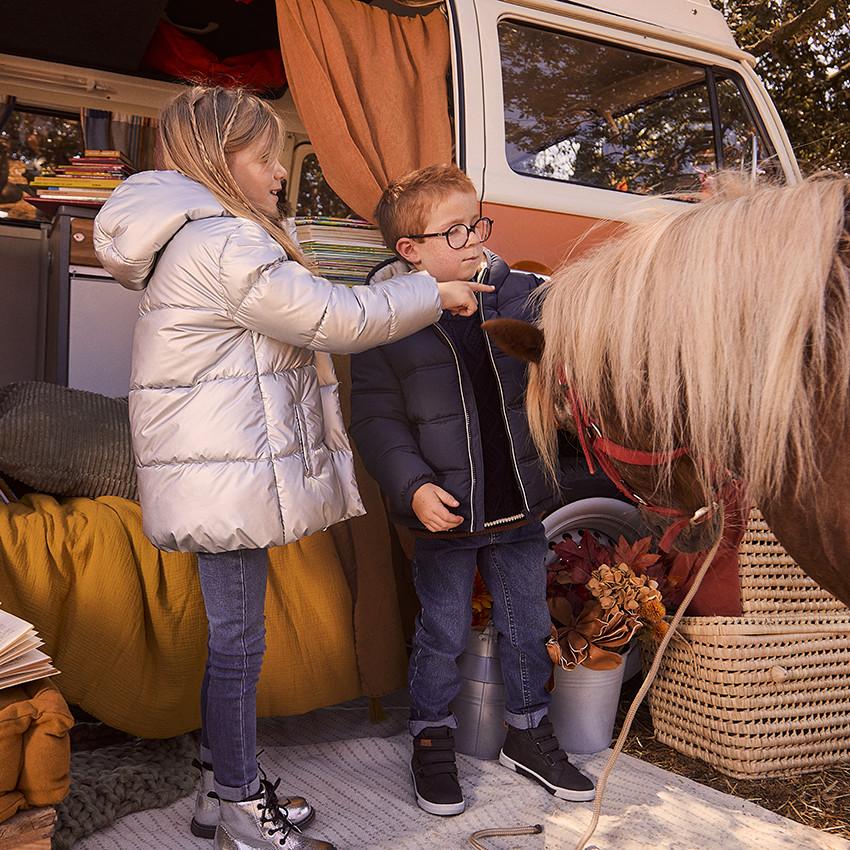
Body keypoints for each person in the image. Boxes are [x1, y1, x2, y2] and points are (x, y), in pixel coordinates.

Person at [93, 87, 491, 850]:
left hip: (216, 464)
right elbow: (329, 319)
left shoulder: (195, 237)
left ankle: (220, 790)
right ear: (220, 160)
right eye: (265, 157)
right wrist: (431, 291)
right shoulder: (220, 241)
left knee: (234, 640)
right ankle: (241, 806)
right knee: (240, 643)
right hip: (222, 470)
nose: (280, 172)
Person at [348, 164, 596, 816]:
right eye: (452, 231)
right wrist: (415, 488)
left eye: (476, 224)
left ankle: (527, 730)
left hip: (519, 500)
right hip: (448, 515)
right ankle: (432, 737)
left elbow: (565, 361)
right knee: (443, 631)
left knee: (528, 623)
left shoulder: (522, 296)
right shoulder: (384, 322)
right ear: (410, 250)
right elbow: (376, 420)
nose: (472, 239)